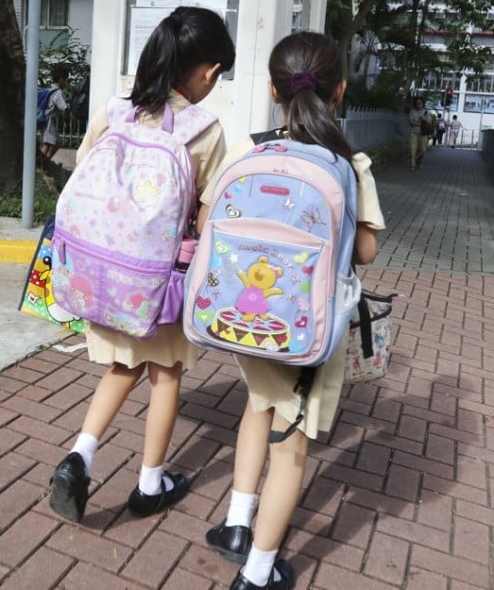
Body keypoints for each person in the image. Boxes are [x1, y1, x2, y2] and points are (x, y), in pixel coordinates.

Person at [203, 32, 385, 590]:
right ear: (340, 91)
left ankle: (237, 523)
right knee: (292, 443)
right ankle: (258, 572)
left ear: (272, 90)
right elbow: (367, 251)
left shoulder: (250, 151)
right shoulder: (349, 163)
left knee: (257, 407)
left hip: (244, 323)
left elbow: (210, 217)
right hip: (308, 330)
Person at [48, 6, 235, 524]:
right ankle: (150, 484)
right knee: (166, 374)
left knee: (121, 364)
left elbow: (85, 170)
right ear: (209, 71)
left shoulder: (115, 111)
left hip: (105, 278)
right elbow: (208, 210)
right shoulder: (204, 129)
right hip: (160, 285)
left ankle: (79, 455)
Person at [40, 65, 71, 160]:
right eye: (66, 80)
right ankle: (40, 164)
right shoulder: (57, 92)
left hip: (48, 120)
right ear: (62, 80)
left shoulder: (50, 90)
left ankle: (45, 162)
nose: (67, 83)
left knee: (57, 143)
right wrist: (71, 115)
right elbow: (63, 107)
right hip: (49, 120)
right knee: (47, 144)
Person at [407, 97, 431, 171]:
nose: (418, 104)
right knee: (412, 149)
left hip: (423, 133)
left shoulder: (426, 112)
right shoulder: (412, 111)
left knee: (423, 150)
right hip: (413, 133)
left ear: (423, 104)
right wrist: (421, 124)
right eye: (417, 103)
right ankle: (412, 166)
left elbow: (429, 123)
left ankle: (418, 161)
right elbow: (411, 122)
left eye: (420, 103)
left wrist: (424, 119)